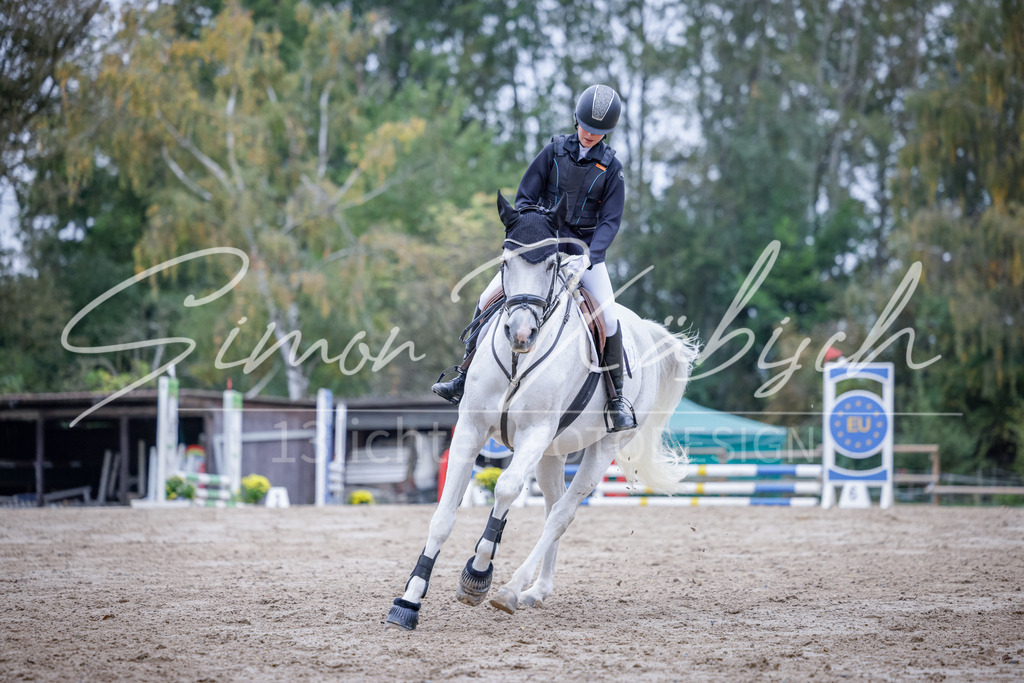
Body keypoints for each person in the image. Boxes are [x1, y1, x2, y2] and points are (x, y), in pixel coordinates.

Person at [432, 84, 636, 432]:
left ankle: (616, 399)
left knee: (611, 319)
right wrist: (539, 233)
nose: (589, 134)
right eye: (586, 127)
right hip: (539, 249)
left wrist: (589, 258)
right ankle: (464, 375)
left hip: (582, 255)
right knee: (486, 298)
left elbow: (610, 221)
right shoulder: (553, 151)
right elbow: (525, 198)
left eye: (598, 131)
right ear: (576, 120)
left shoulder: (611, 168)